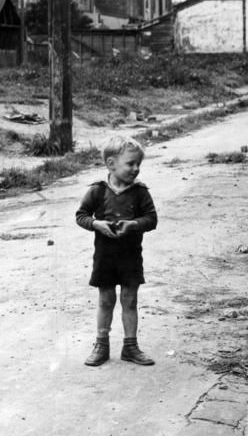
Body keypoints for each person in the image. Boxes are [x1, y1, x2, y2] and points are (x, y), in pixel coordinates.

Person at [76, 135, 158, 367]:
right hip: (105, 256)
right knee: (106, 299)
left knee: (130, 300)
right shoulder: (97, 191)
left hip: (131, 256)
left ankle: (130, 347)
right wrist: (96, 224)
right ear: (111, 164)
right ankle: (101, 345)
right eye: (130, 163)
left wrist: (134, 224)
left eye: (138, 164)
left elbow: (152, 219)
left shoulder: (140, 192)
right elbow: (81, 216)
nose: (136, 169)